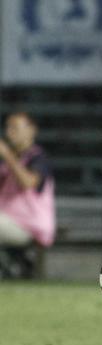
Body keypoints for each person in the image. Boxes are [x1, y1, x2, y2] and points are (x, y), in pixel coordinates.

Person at [0, 112, 55, 278]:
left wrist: (7, 154)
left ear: (32, 130)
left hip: (30, 225)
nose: (10, 132)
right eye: (8, 128)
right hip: (8, 220)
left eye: (15, 128)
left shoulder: (38, 157)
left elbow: (28, 182)